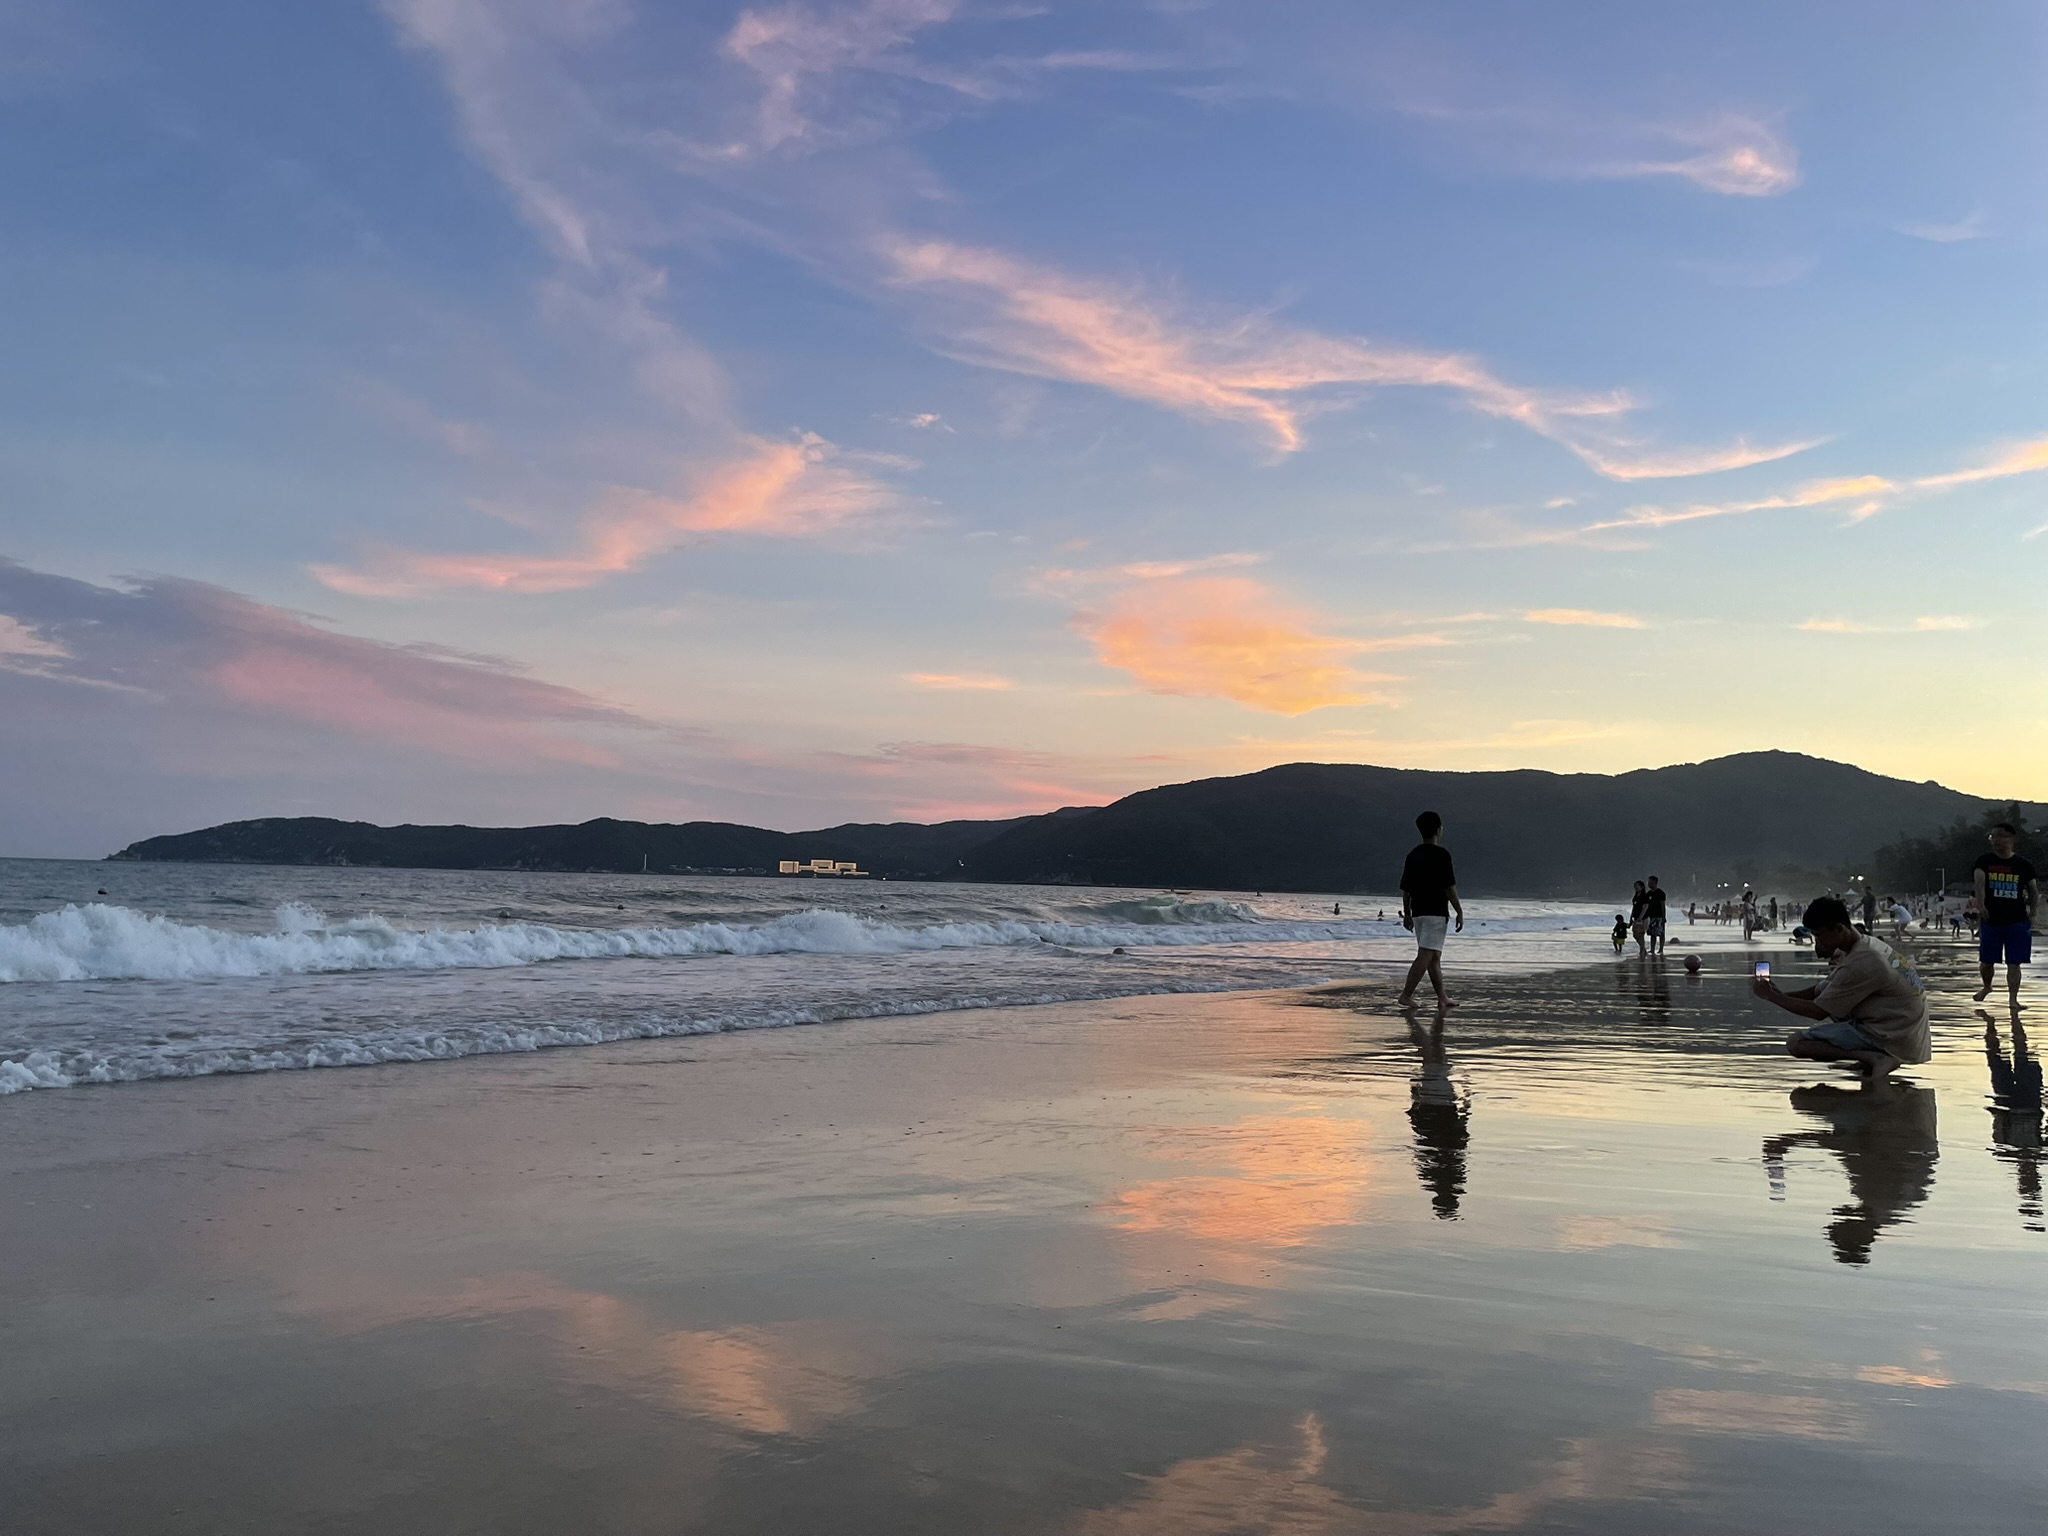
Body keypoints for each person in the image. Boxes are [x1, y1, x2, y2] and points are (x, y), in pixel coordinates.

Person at [1753, 897, 1930, 1079]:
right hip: (1905, 1023)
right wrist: (1778, 994)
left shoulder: (1862, 963)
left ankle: (1873, 1056)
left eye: (1819, 935)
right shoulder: (1866, 945)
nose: (1817, 942)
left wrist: (1772, 997)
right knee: (1834, 1002)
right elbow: (1822, 990)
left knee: (1796, 1043)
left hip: (1896, 1033)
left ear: (1839, 929)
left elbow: (1818, 1011)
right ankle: (1870, 1055)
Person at [1397, 810, 1463, 1008]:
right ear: (1437, 830)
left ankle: (1442, 998)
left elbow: (1406, 890)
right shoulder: (1442, 855)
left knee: (1434, 957)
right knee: (1426, 955)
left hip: (1418, 913)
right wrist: (1459, 910)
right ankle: (1406, 995)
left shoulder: (1413, 855)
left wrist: (1407, 914)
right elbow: (1449, 888)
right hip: (1435, 912)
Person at [1973, 822, 2039, 1007]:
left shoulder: (2023, 865)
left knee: (2014, 963)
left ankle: (2013, 1000)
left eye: (2000, 836)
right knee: (1987, 961)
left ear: (2011, 839)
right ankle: (1987, 986)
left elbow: (2033, 890)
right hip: (1991, 920)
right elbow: (1979, 883)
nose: (1996, 840)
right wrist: (1981, 905)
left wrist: (2033, 913)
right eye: (1992, 837)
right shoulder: (1984, 861)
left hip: (2017, 920)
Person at [1644, 875, 1669, 956]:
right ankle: (1652, 949)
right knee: (1652, 934)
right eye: (1648, 882)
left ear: (1654, 883)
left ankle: (1661, 949)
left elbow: (1663, 906)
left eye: (1650, 882)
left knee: (1661, 933)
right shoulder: (1648, 893)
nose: (1648, 884)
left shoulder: (1661, 893)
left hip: (1659, 916)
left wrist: (1663, 917)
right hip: (1651, 916)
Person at [1628, 879, 1649, 957]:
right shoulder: (1635, 897)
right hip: (1636, 918)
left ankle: (1642, 950)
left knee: (1641, 934)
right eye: (1635, 886)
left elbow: (1645, 907)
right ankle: (1643, 949)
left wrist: (1641, 917)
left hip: (1644, 918)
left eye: (1637, 886)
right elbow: (1634, 907)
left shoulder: (1644, 896)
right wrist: (1631, 917)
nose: (1636, 888)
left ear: (1642, 887)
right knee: (1635, 934)